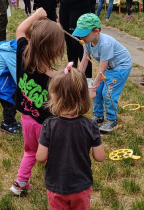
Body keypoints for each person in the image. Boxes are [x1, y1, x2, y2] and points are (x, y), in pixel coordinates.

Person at [9, 8, 65, 196]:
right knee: (54, 155)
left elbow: (20, 30)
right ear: (54, 49)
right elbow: (61, 106)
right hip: (47, 126)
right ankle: (57, 186)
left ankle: (19, 184)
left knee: (30, 152)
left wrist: (37, 15)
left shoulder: (23, 53)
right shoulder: (55, 78)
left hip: (26, 118)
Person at [36, 67, 105, 210]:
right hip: (82, 186)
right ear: (84, 97)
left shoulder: (49, 125)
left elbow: (41, 157)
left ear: (53, 96)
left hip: (56, 186)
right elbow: (100, 157)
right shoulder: (91, 125)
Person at [73, 13, 132, 132]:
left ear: (96, 31)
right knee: (98, 90)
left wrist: (93, 89)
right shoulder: (87, 42)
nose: (81, 38)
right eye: (79, 35)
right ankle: (99, 116)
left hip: (121, 67)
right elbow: (84, 60)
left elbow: (101, 70)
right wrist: (77, 77)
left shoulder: (105, 44)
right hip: (110, 68)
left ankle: (112, 120)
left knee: (107, 92)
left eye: (83, 35)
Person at [59, 0, 93, 79]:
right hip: (64, 5)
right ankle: (71, 77)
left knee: (78, 44)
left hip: (80, 6)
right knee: (69, 43)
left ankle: (88, 79)